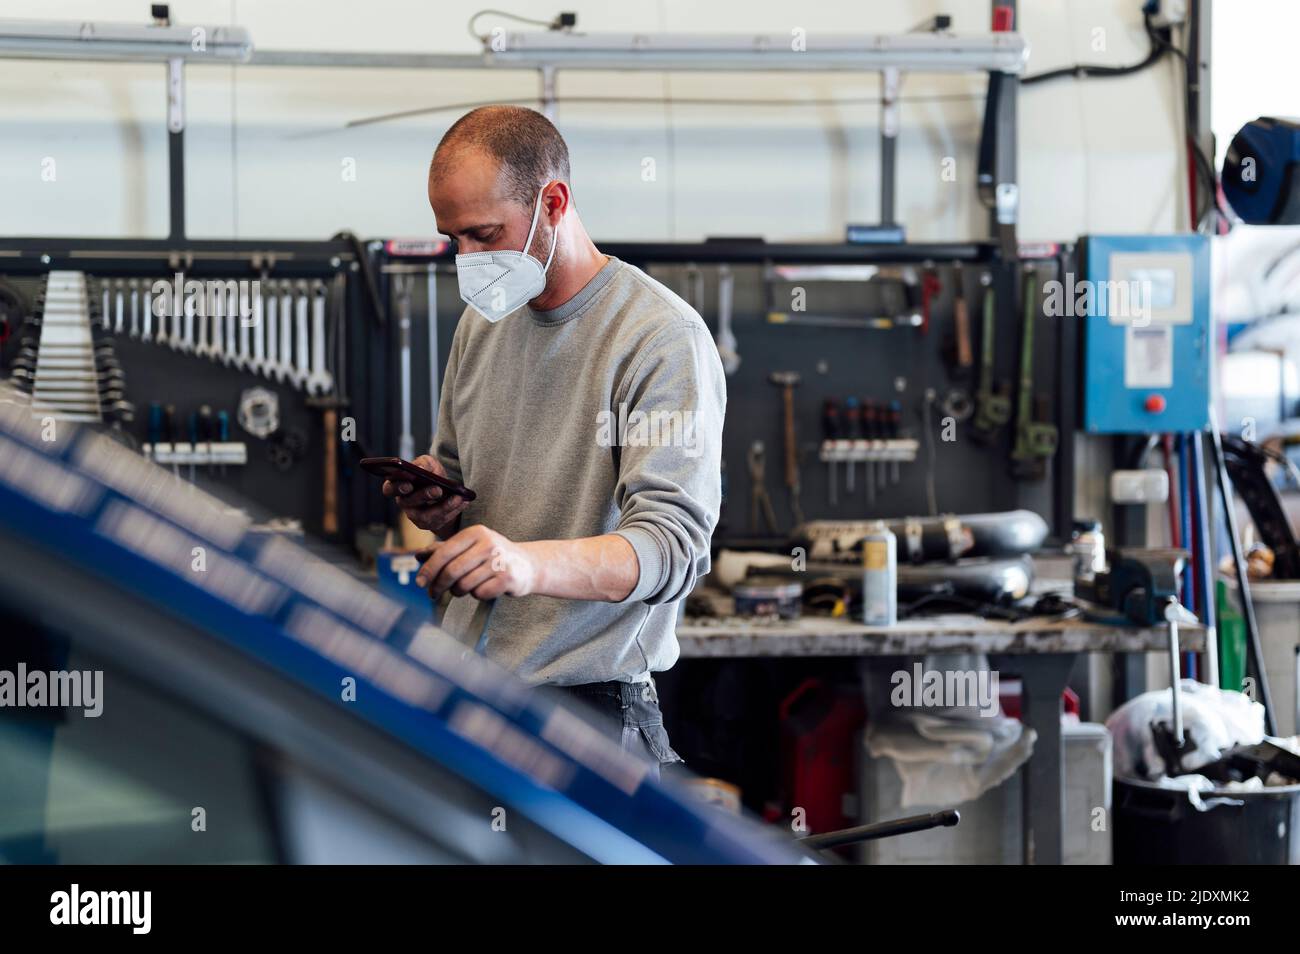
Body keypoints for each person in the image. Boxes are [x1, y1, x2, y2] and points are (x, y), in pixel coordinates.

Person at [384, 105, 726, 779]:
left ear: (554, 202)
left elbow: (674, 548)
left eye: (485, 234)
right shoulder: (485, 325)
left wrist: (528, 566)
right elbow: (461, 477)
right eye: (454, 238)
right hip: (469, 697)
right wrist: (436, 501)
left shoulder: (657, 339)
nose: (469, 260)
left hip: (587, 718)